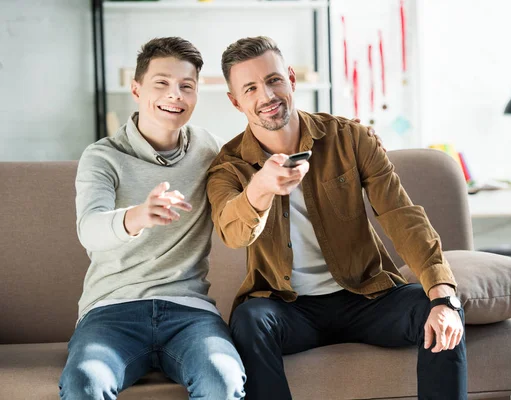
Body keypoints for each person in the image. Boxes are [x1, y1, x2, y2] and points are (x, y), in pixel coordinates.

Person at [207, 36, 468, 400]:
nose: (266, 96)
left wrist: (442, 296)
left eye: (273, 80)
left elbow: (401, 215)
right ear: (235, 101)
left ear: (292, 79)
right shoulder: (228, 165)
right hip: (288, 307)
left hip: (366, 296)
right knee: (250, 321)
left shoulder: (351, 138)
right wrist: (260, 188)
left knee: (438, 312)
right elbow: (233, 233)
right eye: (250, 88)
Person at [58, 37, 246, 399]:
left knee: (222, 379)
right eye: (161, 83)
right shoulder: (102, 157)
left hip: (189, 313)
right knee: (85, 382)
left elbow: (261, 157)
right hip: (112, 312)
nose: (174, 94)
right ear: (136, 88)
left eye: (186, 86)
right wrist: (138, 216)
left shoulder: (213, 151)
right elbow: (90, 230)